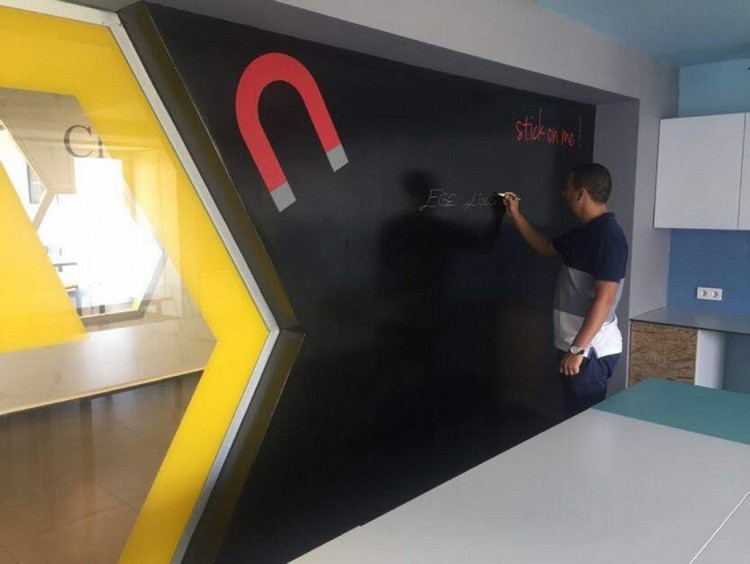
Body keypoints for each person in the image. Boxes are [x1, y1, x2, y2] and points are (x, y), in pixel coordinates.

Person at [501, 163, 628, 418]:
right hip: (577, 348)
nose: (563, 193)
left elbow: (605, 299)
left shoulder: (608, 237)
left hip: (589, 352)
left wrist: (577, 350)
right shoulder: (586, 232)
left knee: (584, 425)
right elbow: (546, 247)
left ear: (581, 193)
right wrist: (515, 215)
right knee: (574, 422)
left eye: (567, 188)